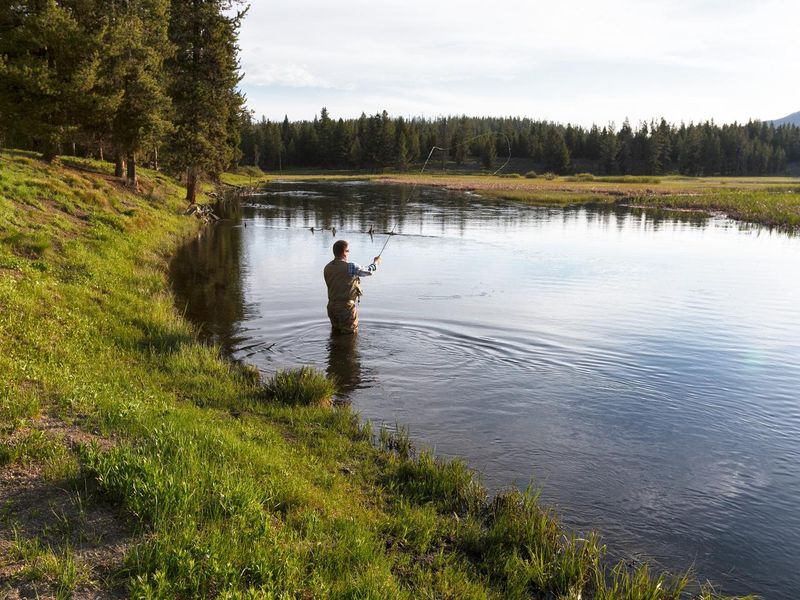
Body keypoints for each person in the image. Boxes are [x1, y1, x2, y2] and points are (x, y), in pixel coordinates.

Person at [323, 239, 381, 333]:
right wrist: (376, 262)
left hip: (331, 307)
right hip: (346, 308)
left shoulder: (327, 267)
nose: (348, 253)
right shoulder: (351, 266)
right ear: (344, 252)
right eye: (348, 251)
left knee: (335, 334)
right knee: (350, 336)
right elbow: (369, 271)